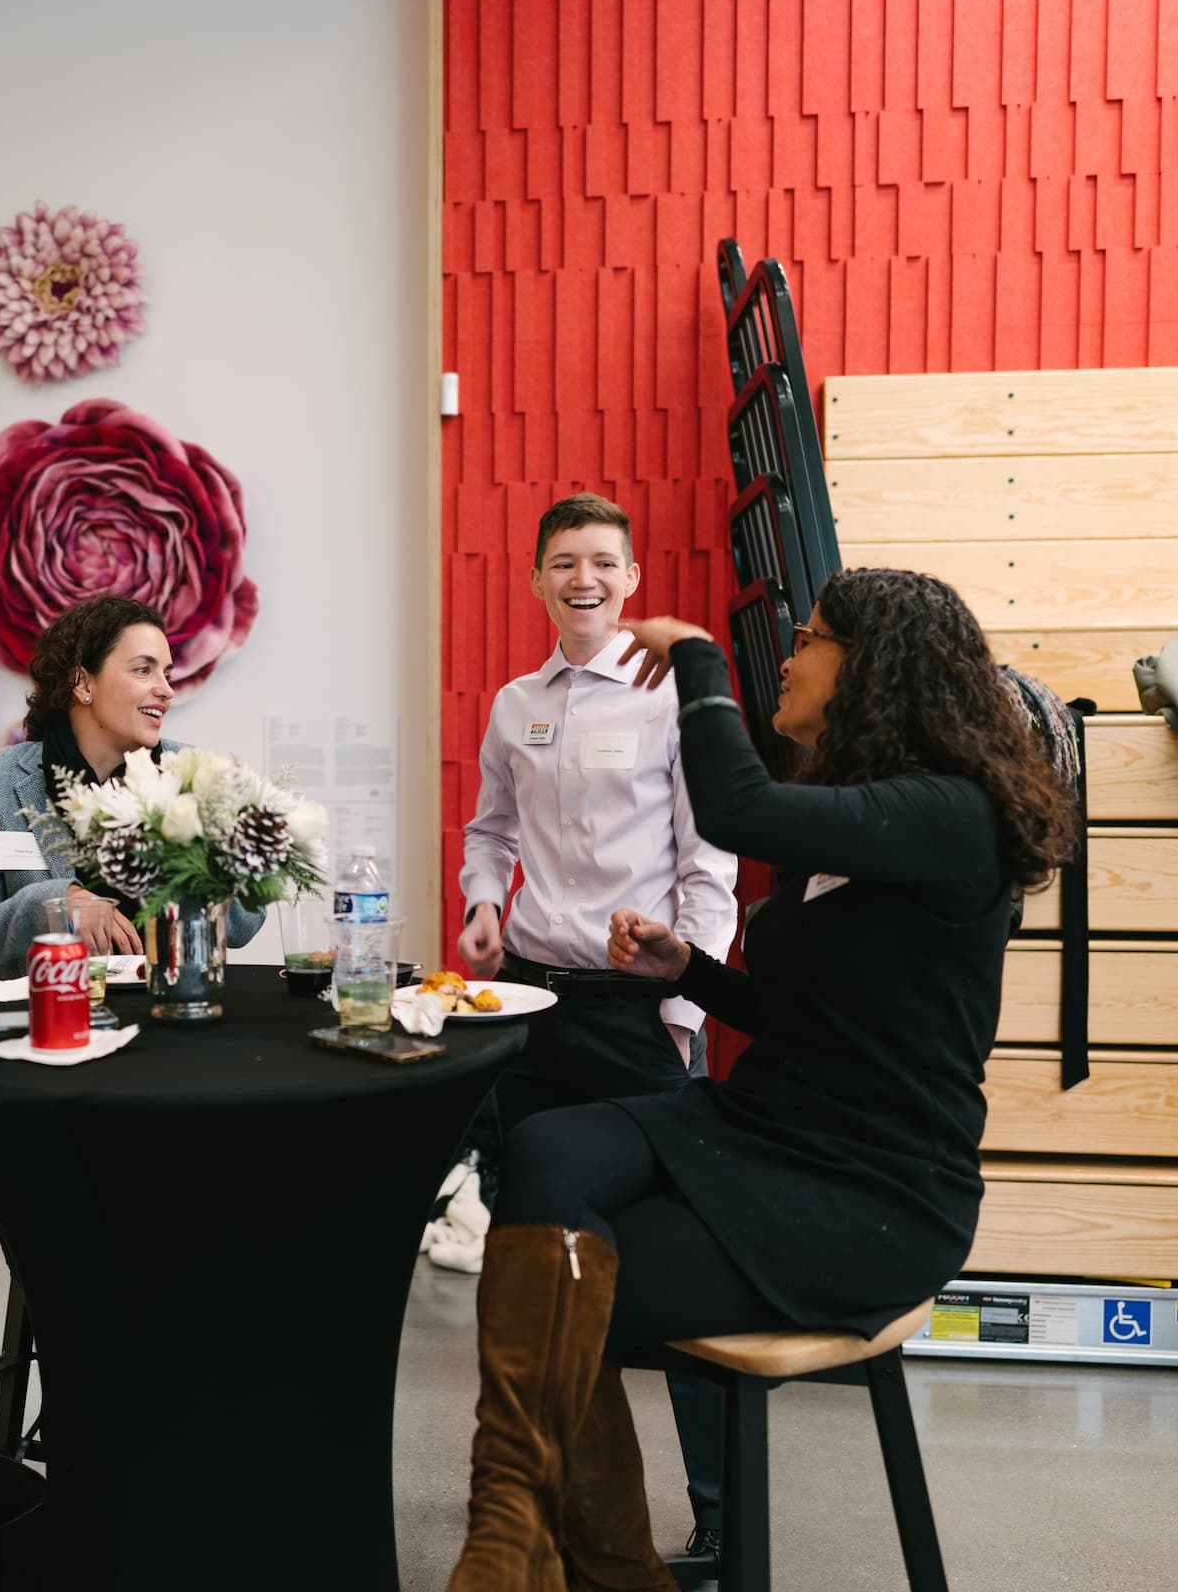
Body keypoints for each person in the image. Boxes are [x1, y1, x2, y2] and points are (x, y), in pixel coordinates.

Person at [445, 568, 1079, 1591]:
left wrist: (697, 656)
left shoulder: (948, 813)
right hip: (765, 1130)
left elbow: (736, 808)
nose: (788, 658)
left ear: (874, 669)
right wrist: (686, 971)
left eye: (810, 639)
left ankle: (529, 1552)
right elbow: (801, 1014)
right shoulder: (853, 816)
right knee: (543, 1151)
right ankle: (547, 1550)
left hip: (871, 1189)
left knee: (556, 1284)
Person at [454, 491, 739, 1567]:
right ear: (537, 579)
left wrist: (683, 1010)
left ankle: (720, 1513)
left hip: (637, 1012)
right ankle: (562, 1502)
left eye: (603, 562)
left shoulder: (670, 700)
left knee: (679, 1256)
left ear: (631, 580)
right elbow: (489, 829)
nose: (584, 579)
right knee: (538, 1262)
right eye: (564, 561)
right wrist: (483, 903)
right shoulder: (514, 703)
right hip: (534, 1007)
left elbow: (708, 865)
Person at [0, 594, 263, 978]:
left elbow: (246, 923)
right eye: (143, 670)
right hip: (47, 1007)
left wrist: (195, 862)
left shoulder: (195, 775)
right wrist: (56, 904)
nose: (166, 690)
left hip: (169, 1001)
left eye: (167, 674)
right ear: (82, 683)